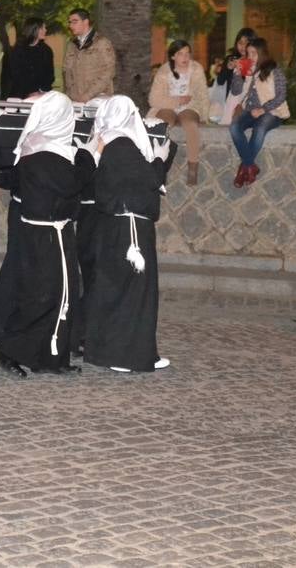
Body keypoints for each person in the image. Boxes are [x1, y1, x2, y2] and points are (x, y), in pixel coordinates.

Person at [0, 91, 90, 376]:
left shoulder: (42, 146)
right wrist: (88, 156)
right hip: (46, 234)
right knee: (44, 295)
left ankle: (50, 357)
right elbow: (73, 184)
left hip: (52, 231)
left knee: (62, 294)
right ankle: (6, 346)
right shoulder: (45, 151)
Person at [82, 96, 175, 373]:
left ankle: (113, 351)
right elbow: (148, 180)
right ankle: (125, 356)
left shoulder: (108, 142)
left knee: (115, 289)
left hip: (116, 226)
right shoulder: (122, 144)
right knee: (134, 293)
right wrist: (159, 159)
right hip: (130, 229)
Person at [147, 39, 209, 185]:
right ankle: (159, 168)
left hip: (190, 107)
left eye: (188, 54)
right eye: (181, 54)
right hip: (168, 106)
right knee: (163, 125)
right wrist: (177, 101)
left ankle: (193, 168)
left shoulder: (196, 69)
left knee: (190, 125)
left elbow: (203, 94)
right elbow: (154, 99)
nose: (185, 58)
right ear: (173, 56)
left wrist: (205, 115)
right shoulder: (164, 71)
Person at [229, 37, 289, 187]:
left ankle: (243, 169)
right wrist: (238, 73)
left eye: (254, 53)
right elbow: (236, 91)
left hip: (272, 112)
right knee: (234, 127)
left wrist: (263, 109)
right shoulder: (248, 69)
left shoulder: (274, 70)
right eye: (248, 54)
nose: (250, 57)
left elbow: (281, 95)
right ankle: (250, 166)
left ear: (262, 53)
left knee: (259, 129)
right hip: (249, 111)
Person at [62, 9, 116, 103]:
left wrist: (88, 95)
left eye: (75, 22)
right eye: (70, 22)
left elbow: (108, 72)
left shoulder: (101, 43)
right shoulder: (72, 45)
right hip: (75, 100)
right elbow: (66, 71)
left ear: (86, 22)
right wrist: (70, 94)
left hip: (97, 99)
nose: (70, 26)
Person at [4, 17, 55, 99]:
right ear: (35, 29)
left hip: (41, 96)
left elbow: (50, 75)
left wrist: (40, 91)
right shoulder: (18, 50)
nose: (45, 30)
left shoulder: (46, 50)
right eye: (43, 28)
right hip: (19, 95)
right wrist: (28, 92)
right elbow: (15, 74)